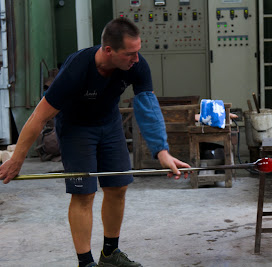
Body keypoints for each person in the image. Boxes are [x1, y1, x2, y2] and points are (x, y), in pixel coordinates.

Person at [0, 17, 190, 267]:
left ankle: (110, 254)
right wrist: (17, 159)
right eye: (129, 54)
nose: (136, 59)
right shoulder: (76, 69)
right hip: (76, 128)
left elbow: (147, 105)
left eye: (137, 52)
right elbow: (38, 117)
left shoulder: (136, 64)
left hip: (109, 125)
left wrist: (161, 151)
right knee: (84, 194)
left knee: (118, 186)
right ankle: (86, 262)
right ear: (109, 50)